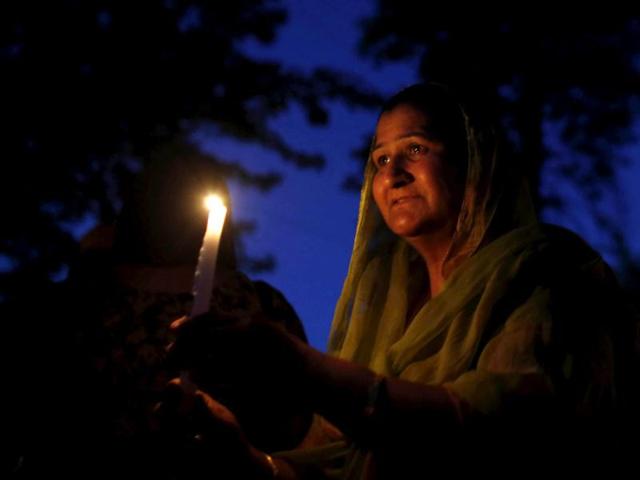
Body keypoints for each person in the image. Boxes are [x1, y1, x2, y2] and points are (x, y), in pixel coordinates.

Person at [162, 84, 639, 479]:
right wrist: (246, 458)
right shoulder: (386, 310)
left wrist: (302, 366)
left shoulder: (545, 274)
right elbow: (342, 462)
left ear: (472, 165)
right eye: (380, 160)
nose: (394, 175)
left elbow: (499, 430)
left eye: (415, 149)